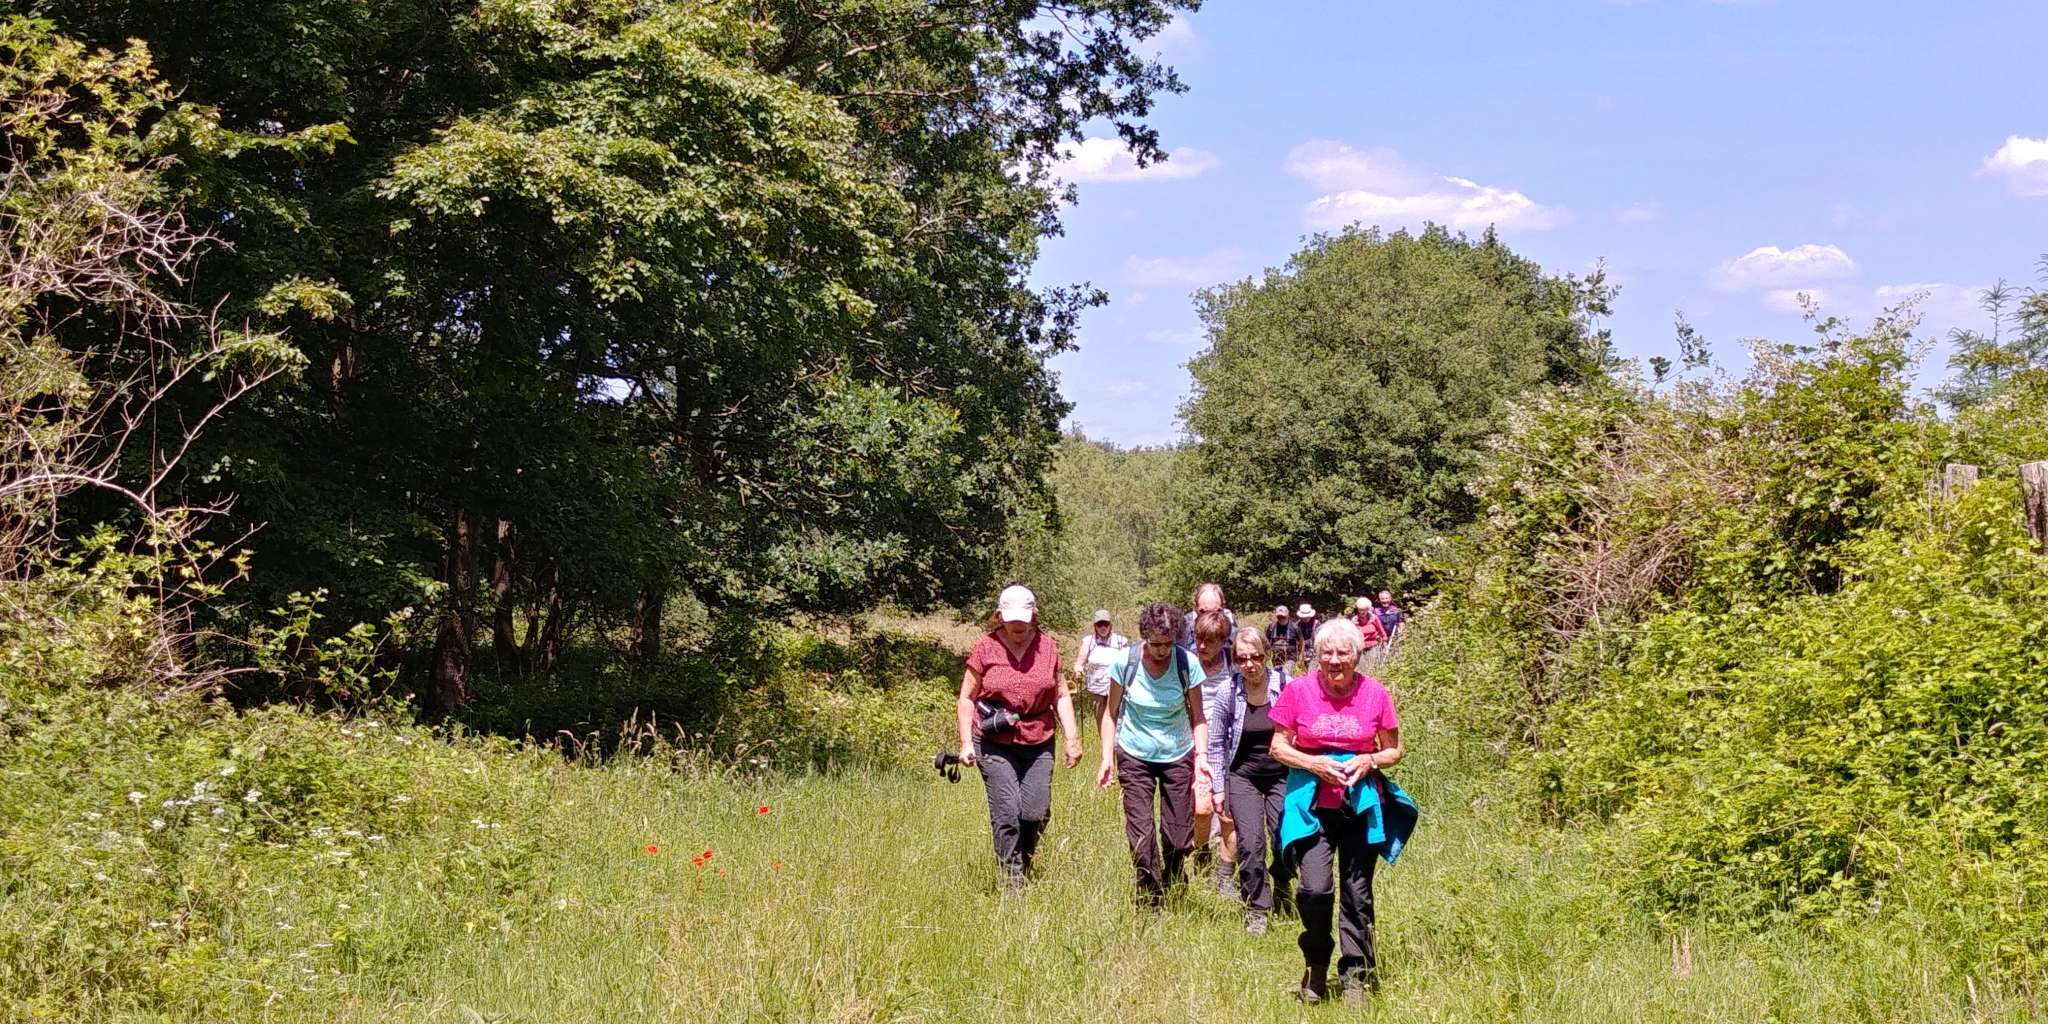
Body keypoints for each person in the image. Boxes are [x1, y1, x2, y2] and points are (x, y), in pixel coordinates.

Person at [1270, 618, 1416, 1005]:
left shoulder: (1376, 694)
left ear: (1357, 655)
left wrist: (1369, 760)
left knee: (1357, 893)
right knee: (1314, 889)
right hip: (1312, 806)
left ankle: (1356, 976)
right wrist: (1313, 763)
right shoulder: (1298, 691)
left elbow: (1394, 749)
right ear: (1317, 655)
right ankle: (1316, 963)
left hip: (1359, 806)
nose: (1334, 660)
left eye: (1342, 653)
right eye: (1327, 653)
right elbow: (1277, 746)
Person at [957, 584, 1081, 891]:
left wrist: (1072, 738)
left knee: (1035, 812)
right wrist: (966, 743)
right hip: (995, 742)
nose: (1017, 626)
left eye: (1022, 620)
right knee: (1007, 812)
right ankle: (1012, 881)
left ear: (1034, 616)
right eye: (1011, 619)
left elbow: (1061, 695)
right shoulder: (985, 648)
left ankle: (1024, 860)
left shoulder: (1047, 648)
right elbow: (967, 698)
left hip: (1039, 740)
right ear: (999, 616)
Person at [1097, 601, 1210, 905]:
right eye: (1155, 643)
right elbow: (1110, 714)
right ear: (1144, 636)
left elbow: (1199, 718)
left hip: (1178, 753)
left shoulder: (1187, 664)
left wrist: (1201, 759)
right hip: (1134, 754)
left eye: (1168, 644)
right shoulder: (1125, 662)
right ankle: (1150, 898)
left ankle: (1174, 881)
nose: (1162, 650)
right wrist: (1107, 758)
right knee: (1141, 834)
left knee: (1178, 837)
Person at [1207, 626, 1293, 934]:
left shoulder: (1286, 686)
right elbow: (1216, 742)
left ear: (1266, 654)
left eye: (1255, 657)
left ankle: (1282, 882)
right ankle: (1257, 907)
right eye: (1241, 659)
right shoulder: (1228, 692)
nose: (1249, 664)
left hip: (1282, 774)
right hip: (1242, 776)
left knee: (1285, 837)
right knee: (1251, 843)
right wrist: (1218, 788)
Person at [1187, 609, 1236, 893]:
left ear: (1223, 641)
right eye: (1198, 639)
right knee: (1203, 808)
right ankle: (1201, 851)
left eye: (1210, 641)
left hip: (1229, 743)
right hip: (1197, 742)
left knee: (1227, 811)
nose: (1202, 646)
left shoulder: (1233, 664)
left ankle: (1224, 869)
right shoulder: (1187, 663)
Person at [1072, 608, 1129, 728]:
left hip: (1116, 687)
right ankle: (1104, 740)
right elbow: (1079, 663)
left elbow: (1128, 663)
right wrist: (1078, 671)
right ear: (1095, 626)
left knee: (1117, 720)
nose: (1103, 627)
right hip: (1096, 689)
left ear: (1110, 625)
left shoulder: (1120, 641)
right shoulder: (1088, 642)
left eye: (1105, 624)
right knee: (1101, 722)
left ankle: (1116, 740)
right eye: (1099, 624)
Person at [1350, 596, 1389, 666]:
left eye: (1364, 610)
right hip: (1360, 646)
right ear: (1358, 609)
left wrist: (1384, 641)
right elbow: (1351, 635)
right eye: (1360, 610)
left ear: (1368, 609)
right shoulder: (1354, 620)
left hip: (1373, 644)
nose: (1362, 612)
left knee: (1371, 664)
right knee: (1361, 666)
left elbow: (1381, 629)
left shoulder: (1373, 618)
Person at [1264, 604, 1296, 671]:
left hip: (1290, 659)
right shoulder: (1271, 627)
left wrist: (1300, 659)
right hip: (1275, 660)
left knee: (1286, 672)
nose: (1281, 619)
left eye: (1283, 617)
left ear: (1288, 615)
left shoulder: (1294, 627)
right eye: (1279, 617)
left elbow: (1301, 643)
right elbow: (1265, 642)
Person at [1291, 603, 1319, 675]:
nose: (1305, 618)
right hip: (1301, 654)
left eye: (1307, 616)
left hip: (1314, 654)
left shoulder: (1317, 624)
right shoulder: (1297, 625)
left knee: (1311, 673)